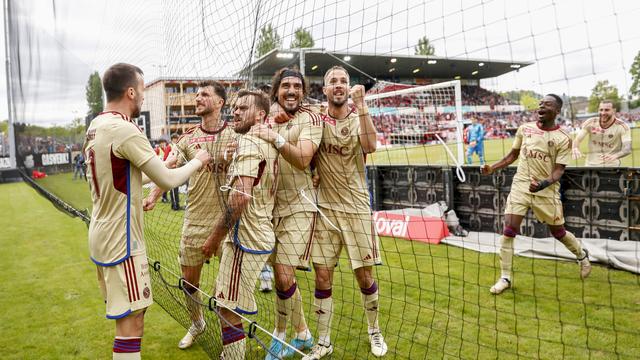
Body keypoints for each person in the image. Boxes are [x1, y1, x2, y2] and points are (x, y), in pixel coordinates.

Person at [83, 63, 210, 360]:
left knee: (133, 316)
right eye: (141, 91)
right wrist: (198, 161)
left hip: (103, 233)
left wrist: (167, 164)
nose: (142, 98)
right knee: (130, 324)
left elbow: (131, 176)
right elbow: (167, 180)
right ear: (130, 92)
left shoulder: (96, 126)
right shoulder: (125, 128)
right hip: (122, 240)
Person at [143, 80, 236, 350]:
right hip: (194, 220)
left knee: (227, 287)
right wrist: (152, 196)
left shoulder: (235, 136)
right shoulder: (187, 138)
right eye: (196, 94)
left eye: (204, 95)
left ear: (220, 102)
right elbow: (167, 169)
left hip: (228, 222)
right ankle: (197, 323)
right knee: (189, 282)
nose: (197, 98)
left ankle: (231, 338)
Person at [304, 66, 387, 359]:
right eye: (332, 82)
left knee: (364, 277)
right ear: (324, 90)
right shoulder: (315, 121)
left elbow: (371, 146)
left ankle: (374, 331)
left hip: (356, 209)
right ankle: (323, 341)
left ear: (349, 88)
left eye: (343, 81)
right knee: (322, 277)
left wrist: (362, 106)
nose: (338, 85)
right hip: (325, 211)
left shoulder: (358, 118)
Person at [480, 94, 592, 295]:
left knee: (558, 232)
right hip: (521, 186)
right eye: (540, 103)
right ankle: (505, 277)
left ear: (556, 111)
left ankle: (582, 255)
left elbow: (559, 171)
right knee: (509, 230)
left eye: (547, 104)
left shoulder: (563, 138)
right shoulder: (525, 129)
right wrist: (493, 168)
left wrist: (542, 184)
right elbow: (512, 156)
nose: (541, 106)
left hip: (546, 191)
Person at [249, 67, 322, 359]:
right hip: (271, 207)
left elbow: (304, 159)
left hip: (300, 205)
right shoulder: (270, 118)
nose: (291, 90)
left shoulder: (311, 118)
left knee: (282, 272)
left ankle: (280, 335)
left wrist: (274, 137)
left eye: (297, 86)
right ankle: (303, 333)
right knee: (283, 278)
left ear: (303, 91)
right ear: (276, 91)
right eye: (285, 86)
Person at [201, 90, 278, 360]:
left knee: (227, 306)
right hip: (257, 235)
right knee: (225, 300)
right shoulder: (267, 144)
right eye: (234, 108)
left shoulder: (249, 144)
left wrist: (213, 238)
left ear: (260, 115)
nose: (235, 112)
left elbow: (240, 198)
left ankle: (233, 357)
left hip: (247, 240)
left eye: (242, 108)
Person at [572, 100, 631, 166]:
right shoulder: (590, 122)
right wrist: (575, 148)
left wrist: (615, 156)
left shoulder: (622, 126)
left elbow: (627, 149)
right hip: (590, 166)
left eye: (606, 110)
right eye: (601, 110)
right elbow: (577, 139)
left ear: (614, 110)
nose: (603, 113)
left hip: (611, 167)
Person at [169, 133, 182, 210]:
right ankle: (174, 205)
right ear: (173, 139)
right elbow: (166, 157)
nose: (177, 140)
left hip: (176, 169)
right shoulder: (169, 147)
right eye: (175, 139)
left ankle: (177, 204)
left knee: (176, 188)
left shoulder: (177, 146)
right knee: (173, 188)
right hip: (171, 170)